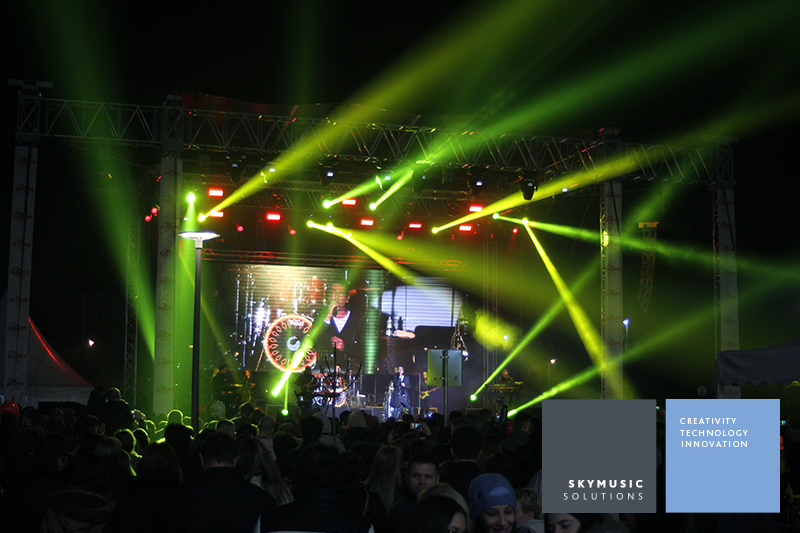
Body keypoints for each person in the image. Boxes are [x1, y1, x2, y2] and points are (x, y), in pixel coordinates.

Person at [318, 283, 364, 361]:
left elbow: (362, 351)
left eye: (341, 293)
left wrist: (345, 348)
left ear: (347, 298)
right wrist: (327, 319)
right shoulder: (320, 318)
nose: (336, 296)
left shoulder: (358, 319)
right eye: (333, 292)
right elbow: (314, 344)